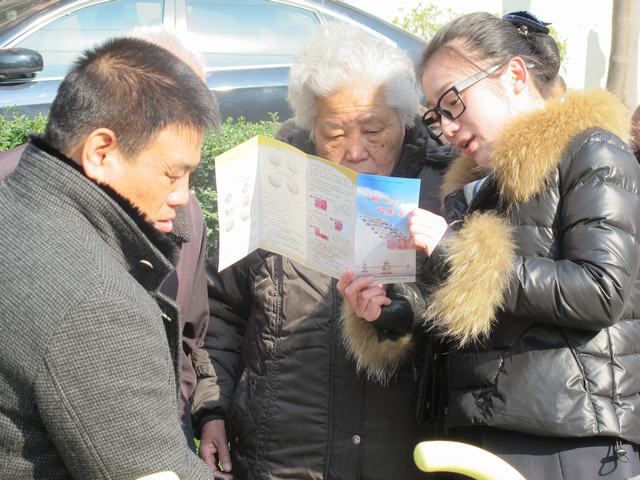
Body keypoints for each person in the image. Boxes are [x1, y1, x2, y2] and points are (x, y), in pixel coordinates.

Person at [202, 23, 454, 480]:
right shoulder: (273, 180)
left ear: (404, 118)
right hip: (283, 459)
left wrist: (401, 312)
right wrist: (211, 410)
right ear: (310, 126)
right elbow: (220, 309)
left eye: (374, 130)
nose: (354, 150)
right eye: (333, 133)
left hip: (402, 460)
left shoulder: (447, 188)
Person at [405, 10, 640, 480]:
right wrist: (389, 315)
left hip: (569, 438)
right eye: (435, 115)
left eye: (453, 101)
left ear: (514, 75)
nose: (446, 127)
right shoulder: (475, 188)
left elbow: (601, 290)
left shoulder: (591, 150)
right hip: (480, 427)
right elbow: (467, 314)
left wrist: (458, 255)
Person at [0, 35, 222, 478]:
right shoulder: (98, 304)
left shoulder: (16, 201)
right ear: (101, 153)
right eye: (172, 174)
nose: (183, 197)